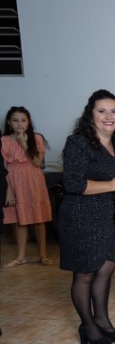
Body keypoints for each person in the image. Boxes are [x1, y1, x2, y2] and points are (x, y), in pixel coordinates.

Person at [59, 90, 115, 344]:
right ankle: (88, 326)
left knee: (106, 266)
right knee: (85, 273)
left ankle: (102, 320)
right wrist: (113, 185)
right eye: (102, 111)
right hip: (79, 215)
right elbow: (73, 183)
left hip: (103, 214)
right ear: (90, 115)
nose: (109, 116)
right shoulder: (79, 142)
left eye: (114, 111)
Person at [2, 106, 52, 268]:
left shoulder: (36, 138)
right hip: (14, 182)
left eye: (23, 120)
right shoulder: (3, 141)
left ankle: (43, 254)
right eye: (15, 120)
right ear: (9, 123)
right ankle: (20, 256)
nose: (19, 124)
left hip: (33, 181)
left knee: (38, 218)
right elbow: (3, 169)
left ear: (28, 122)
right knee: (19, 220)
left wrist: (24, 143)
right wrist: (8, 191)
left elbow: (38, 163)